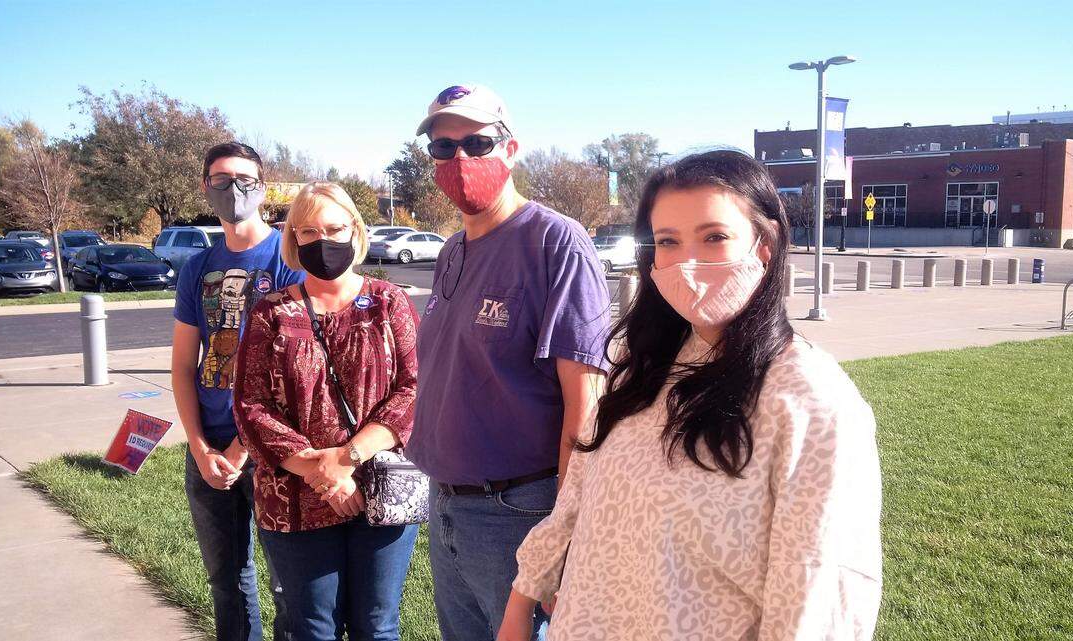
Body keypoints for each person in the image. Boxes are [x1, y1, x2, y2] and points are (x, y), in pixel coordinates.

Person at [499, 150, 883, 641]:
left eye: (715, 237)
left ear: (764, 245)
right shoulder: (640, 368)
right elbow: (578, 497)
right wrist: (521, 601)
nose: (687, 263)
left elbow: (815, 596)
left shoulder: (810, 402)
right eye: (668, 241)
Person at [407, 84, 612, 641]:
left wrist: (561, 538)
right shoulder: (453, 249)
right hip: (446, 501)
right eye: (444, 149)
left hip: (517, 513)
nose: (460, 161)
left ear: (511, 147)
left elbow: (585, 409)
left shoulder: (556, 245)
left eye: (477, 142)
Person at [234, 182, 420, 641]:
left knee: (376, 627)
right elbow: (250, 406)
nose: (323, 241)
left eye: (334, 228)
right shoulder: (271, 313)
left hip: (382, 490)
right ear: (293, 240)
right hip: (294, 499)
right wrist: (322, 474)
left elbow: (415, 389)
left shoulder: (387, 302)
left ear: (355, 231)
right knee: (312, 629)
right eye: (309, 232)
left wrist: (347, 459)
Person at [172, 142, 302, 641]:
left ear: (262, 189)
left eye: (244, 180)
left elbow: (290, 375)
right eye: (222, 180)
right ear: (206, 187)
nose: (234, 190)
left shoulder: (288, 262)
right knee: (226, 581)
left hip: (271, 450)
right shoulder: (196, 267)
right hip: (207, 448)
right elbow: (185, 365)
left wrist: (239, 450)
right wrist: (201, 447)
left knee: (287, 585)